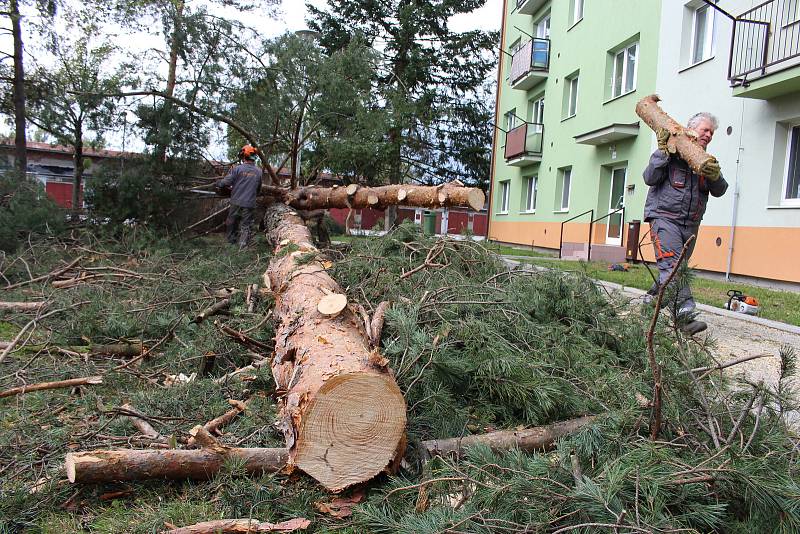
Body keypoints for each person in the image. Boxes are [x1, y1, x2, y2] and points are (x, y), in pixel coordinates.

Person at [642, 112, 728, 332]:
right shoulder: (671, 151)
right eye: (705, 130)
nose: (708, 135)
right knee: (674, 267)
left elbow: (720, 190)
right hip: (664, 219)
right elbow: (649, 178)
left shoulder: (706, 162)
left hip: (690, 225)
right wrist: (663, 153)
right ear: (691, 128)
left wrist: (714, 175)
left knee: (671, 271)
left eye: (712, 132)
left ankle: (651, 303)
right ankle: (685, 316)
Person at [216, 145, 263, 248]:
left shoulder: (237, 169)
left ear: (244, 156)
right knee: (246, 225)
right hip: (250, 202)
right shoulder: (259, 172)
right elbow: (258, 189)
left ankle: (231, 244)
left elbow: (225, 182)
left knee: (232, 222)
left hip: (236, 201)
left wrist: (218, 183)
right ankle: (243, 246)